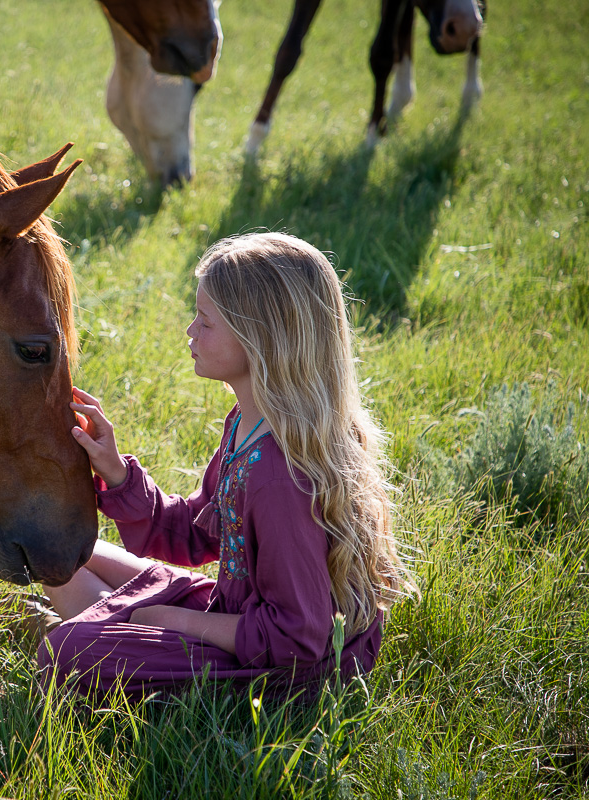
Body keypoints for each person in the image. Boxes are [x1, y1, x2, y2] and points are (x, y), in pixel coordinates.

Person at [38, 232, 417, 700]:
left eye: (206, 321)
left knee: (65, 650)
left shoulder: (280, 476)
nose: (191, 332)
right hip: (240, 612)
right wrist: (116, 471)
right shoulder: (247, 424)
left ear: (259, 337)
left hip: (278, 669)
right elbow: (196, 532)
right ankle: (114, 620)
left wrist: (175, 619)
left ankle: (108, 626)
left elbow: (299, 637)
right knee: (62, 547)